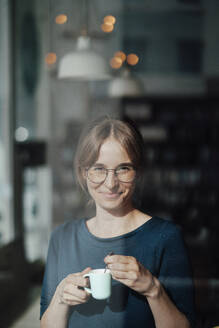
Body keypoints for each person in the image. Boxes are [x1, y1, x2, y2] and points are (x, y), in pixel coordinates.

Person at [40, 117, 196, 328]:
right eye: (99, 168)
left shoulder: (165, 237)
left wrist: (152, 289)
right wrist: (60, 298)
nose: (111, 183)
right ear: (83, 173)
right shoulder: (62, 238)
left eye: (123, 168)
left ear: (138, 173)